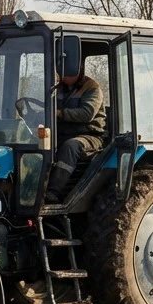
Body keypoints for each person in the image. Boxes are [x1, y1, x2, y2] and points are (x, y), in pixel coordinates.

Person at [45, 69, 107, 203]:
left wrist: (60, 113)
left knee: (71, 146)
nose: (60, 75)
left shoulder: (91, 88)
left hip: (89, 136)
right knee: (37, 142)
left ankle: (52, 192)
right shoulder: (57, 89)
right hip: (62, 134)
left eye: (63, 71)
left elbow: (87, 114)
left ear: (75, 68)